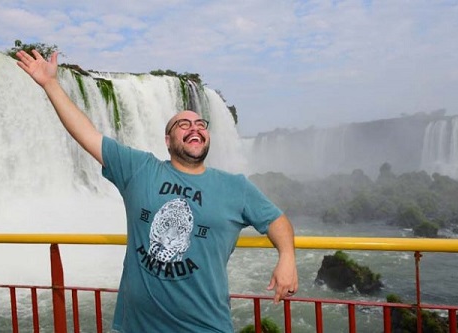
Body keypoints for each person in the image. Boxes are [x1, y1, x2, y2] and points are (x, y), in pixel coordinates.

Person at [16, 49, 298, 333]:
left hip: (207, 327)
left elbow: (277, 221)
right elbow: (87, 134)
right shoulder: (139, 169)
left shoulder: (235, 186)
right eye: (183, 124)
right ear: (168, 138)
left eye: (201, 124)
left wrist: (287, 258)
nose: (194, 128)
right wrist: (50, 84)